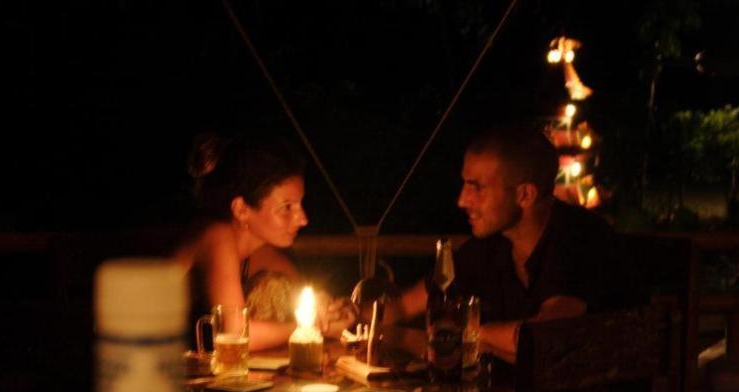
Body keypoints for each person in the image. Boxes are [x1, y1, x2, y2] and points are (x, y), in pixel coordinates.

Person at [383, 122, 628, 363]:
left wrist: (473, 332)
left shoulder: (580, 237)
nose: (462, 200)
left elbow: (541, 338)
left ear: (525, 195)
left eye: (476, 188)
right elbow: (402, 308)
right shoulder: (491, 246)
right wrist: (363, 319)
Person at [174, 132, 351, 351]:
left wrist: (326, 309)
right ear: (241, 209)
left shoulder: (259, 252)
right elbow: (235, 334)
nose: (303, 219)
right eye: (287, 207)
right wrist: (310, 327)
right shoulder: (215, 235)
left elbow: (302, 298)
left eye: (300, 204)